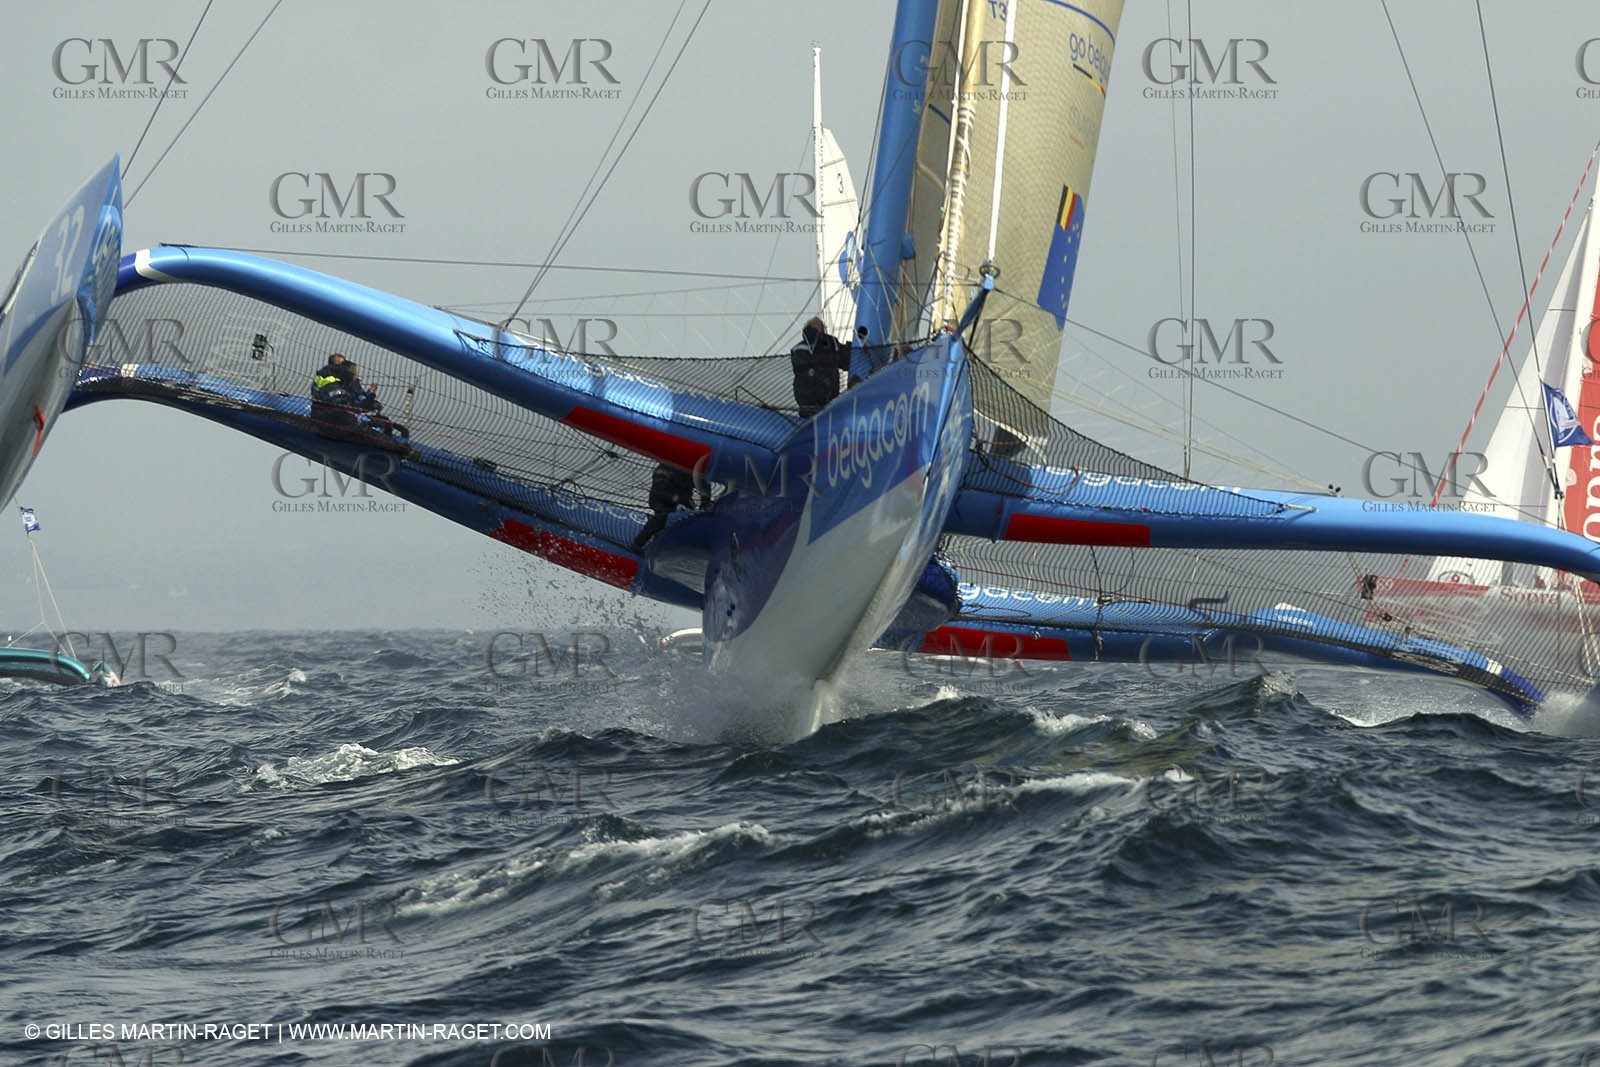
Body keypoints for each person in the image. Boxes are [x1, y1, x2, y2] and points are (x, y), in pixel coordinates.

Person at [630, 461, 707, 552]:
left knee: (690, 518)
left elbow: (703, 483)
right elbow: (660, 490)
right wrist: (677, 500)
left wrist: (705, 500)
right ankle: (638, 544)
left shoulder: (694, 469)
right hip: (661, 498)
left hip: (682, 498)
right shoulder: (666, 468)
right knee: (661, 517)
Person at [790, 316, 851, 418]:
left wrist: (853, 349)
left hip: (821, 398)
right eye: (816, 324)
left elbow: (845, 360)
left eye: (822, 325)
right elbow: (804, 364)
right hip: (813, 398)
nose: (820, 327)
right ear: (810, 326)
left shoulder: (831, 343)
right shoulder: (801, 347)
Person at [310, 353, 357, 428]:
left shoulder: (321, 376)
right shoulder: (335, 381)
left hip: (317, 413)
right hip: (331, 419)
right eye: (342, 365)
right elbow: (338, 401)